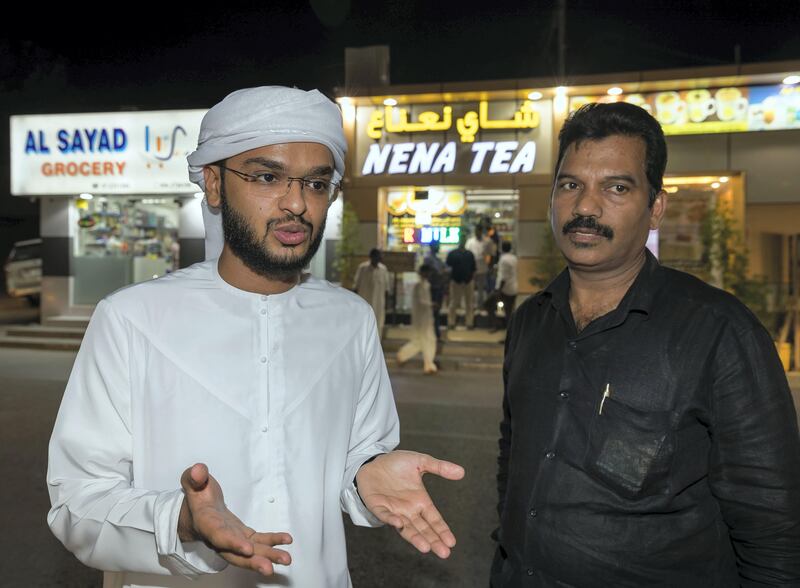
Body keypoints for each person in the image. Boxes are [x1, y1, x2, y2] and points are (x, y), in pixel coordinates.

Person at [47, 86, 464, 588]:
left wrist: (364, 474)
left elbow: (356, 454)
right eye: (268, 177)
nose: (297, 204)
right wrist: (182, 520)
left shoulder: (350, 320)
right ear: (214, 184)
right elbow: (78, 499)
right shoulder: (132, 319)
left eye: (315, 183)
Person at [493, 102, 800, 587]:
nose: (586, 207)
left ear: (656, 207)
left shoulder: (719, 332)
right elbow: (513, 462)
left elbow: (775, 529)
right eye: (571, 185)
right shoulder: (530, 323)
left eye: (616, 187)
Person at [396, 264, 438, 374]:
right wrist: (431, 305)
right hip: (421, 319)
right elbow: (420, 302)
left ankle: (405, 356)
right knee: (426, 340)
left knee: (424, 341)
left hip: (426, 318)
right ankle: (427, 364)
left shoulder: (425, 285)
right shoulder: (418, 286)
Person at [353, 247, 390, 336]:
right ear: (371, 257)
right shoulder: (363, 268)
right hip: (364, 305)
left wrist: (387, 304)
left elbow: (386, 289)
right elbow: (355, 287)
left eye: (379, 256)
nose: (378, 258)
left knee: (378, 327)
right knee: (364, 328)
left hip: (379, 306)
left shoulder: (383, 269)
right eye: (376, 256)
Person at [446, 233, 476, 331]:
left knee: (468, 303)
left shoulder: (469, 254)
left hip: (467, 280)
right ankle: (451, 322)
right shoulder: (453, 253)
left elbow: (473, 268)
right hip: (456, 280)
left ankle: (469, 323)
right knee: (454, 302)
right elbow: (448, 266)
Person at [488, 241, 517, 332]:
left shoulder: (503, 259)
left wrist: (498, 290)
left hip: (505, 289)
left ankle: (497, 325)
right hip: (514, 287)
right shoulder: (514, 258)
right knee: (508, 311)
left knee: (488, 304)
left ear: (502, 248)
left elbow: (503, 277)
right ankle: (508, 331)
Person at [423, 241, 448, 340]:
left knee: (436, 312)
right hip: (432, 288)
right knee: (432, 312)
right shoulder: (428, 259)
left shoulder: (438, 259)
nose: (438, 247)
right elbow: (436, 271)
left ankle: (436, 334)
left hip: (438, 287)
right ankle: (433, 334)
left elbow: (445, 269)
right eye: (437, 246)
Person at [466, 225, 493, 308]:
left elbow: (490, 255)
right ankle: (471, 305)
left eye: (479, 231)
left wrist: (489, 266)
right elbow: (467, 254)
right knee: (471, 288)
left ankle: (480, 305)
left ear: (481, 231)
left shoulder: (487, 241)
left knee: (481, 289)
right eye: (476, 231)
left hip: (483, 268)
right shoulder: (470, 242)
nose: (477, 233)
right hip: (471, 269)